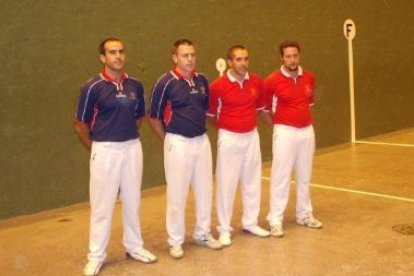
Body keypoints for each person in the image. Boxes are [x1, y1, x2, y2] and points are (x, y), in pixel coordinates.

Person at [74, 37, 156, 276]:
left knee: (133, 201)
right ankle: (96, 256)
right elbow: (80, 124)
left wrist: (126, 138)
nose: (118, 56)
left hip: (131, 148)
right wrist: (97, 148)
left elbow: (139, 116)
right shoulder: (92, 87)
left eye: (121, 51)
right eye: (112, 52)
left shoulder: (136, 85)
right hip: (104, 149)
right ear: (103, 58)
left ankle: (135, 247)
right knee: (102, 206)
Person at [148, 39, 222, 259]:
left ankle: (203, 233)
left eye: (192, 55)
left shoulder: (202, 80)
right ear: (175, 58)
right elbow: (153, 118)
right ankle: (176, 241)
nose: (189, 59)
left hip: (201, 141)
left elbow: (206, 110)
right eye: (184, 55)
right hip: (177, 142)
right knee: (177, 193)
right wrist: (169, 139)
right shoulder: (165, 83)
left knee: (205, 189)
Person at [206, 45, 271, 246]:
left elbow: (260, 109)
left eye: (245, 59)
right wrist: (227, 127)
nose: (243, 63)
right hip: (229, 139)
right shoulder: (217, 86)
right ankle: (224, 229)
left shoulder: (257, 82)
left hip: (252, 136)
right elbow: (210, 116)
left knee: (252, 180)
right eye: (238, 59)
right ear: (230, 62)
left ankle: (250, 222)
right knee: (227, 183)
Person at [263, 40, 323, 238]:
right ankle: (275, 219)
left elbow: (309, 103)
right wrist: (281, 126)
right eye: (288, 56)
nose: (292, 59)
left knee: (305, 176)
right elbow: (266, 110)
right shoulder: (272, 80)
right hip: (285, 133)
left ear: (299, 55)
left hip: (307, 131)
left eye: (295, 55)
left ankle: (304, 214)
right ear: (281, 58)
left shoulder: (309, 77)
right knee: (281, 177)